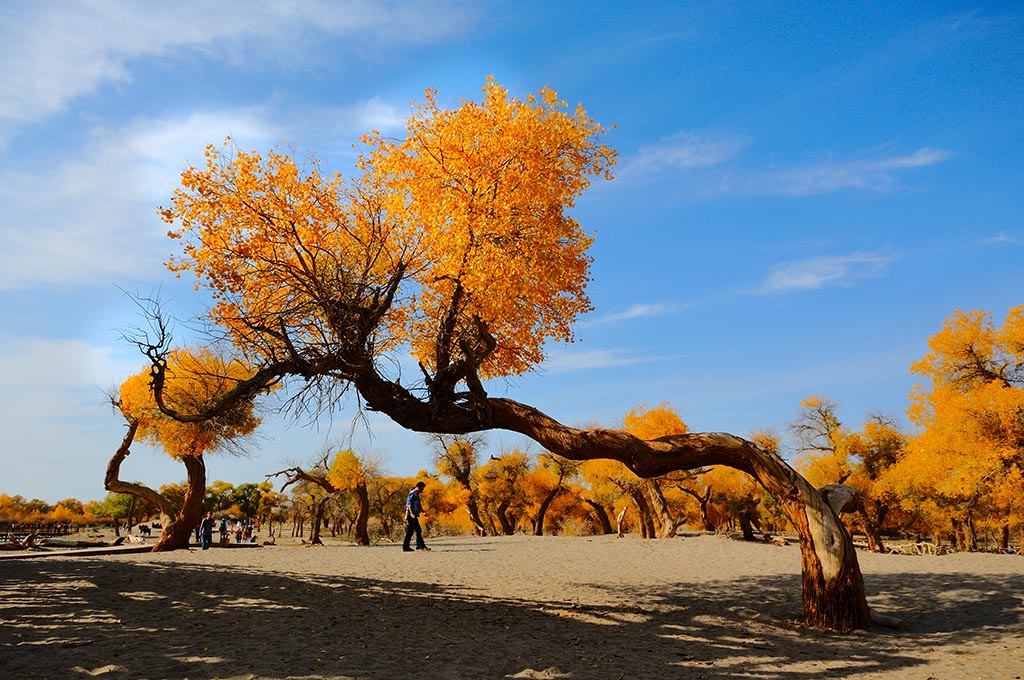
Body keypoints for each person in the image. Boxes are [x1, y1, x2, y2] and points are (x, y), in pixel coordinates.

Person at [402, 481, 430, 552]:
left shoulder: (417, 494)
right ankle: (421, 546)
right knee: (418, 529)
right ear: (418, 487)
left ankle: (406, 547)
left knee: (410, 531)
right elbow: (409, 504)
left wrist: (423, 512)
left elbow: (419, 504)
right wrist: (411, 513)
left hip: (414, 514)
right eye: (422, 488)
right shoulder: (413, 494)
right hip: (411, 515)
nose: (422, 490)